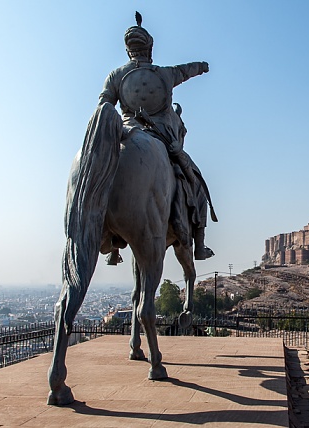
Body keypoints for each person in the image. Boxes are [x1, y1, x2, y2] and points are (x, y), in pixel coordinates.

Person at [101, 12, 215, 263]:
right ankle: (199, 244)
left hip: (124, 132)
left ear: (128, 50)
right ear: (149, 48)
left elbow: (104, 107)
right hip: (162, 136)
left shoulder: (116, 76)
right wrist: (203, 67)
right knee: (194, 179)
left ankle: (112, 244)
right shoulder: (164, 74)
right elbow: (187, 70)